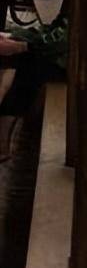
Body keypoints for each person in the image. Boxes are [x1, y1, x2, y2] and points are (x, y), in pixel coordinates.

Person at [0, 16, 67, 161]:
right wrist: (14, 36)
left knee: (28, 66)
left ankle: (3, 141)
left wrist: (23, 46)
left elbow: (59, 42)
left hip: (66, 62)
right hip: (56, 54)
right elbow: (48, 31)